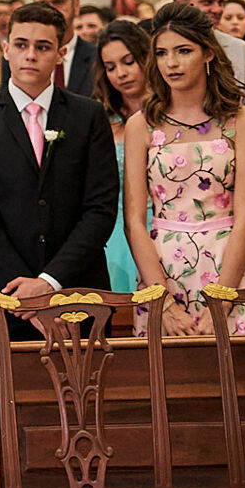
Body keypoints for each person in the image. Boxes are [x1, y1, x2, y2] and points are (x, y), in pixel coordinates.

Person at [0, 2, 118, 340]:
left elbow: (100, 209)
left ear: (60, 53)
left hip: (79, 294)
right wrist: (25, 291)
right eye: (21, 45)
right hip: (4, 297)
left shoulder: (88, 116)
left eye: (42, 47)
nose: (30, 55)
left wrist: (48, 283)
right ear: (5, 49)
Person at [121, 4, 245, 336]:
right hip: (163, 269)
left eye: (183, 51)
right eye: (162, 53)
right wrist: (164, 302)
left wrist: (223, 300)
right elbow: (134, 221)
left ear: (208, 53)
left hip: (231, 264)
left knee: (242, 380)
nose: (171, 62)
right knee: (166, 380)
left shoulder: (241, 121)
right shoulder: (141, 125)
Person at [94, 20, 156, 292]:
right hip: (114, 231)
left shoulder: (175, 113)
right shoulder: (101, 120)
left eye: (129, 61)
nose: (121, 73)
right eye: (111, 67)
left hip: (167, 226)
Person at [173, 0, 245, 101]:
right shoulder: (160, 50)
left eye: (220, 3)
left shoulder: (240, 49)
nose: (218, 9)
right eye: (208, 2)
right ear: (181, 2)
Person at [22, 0, 97, 95]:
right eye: (43, 4)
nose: (51, 9)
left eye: (58, 1)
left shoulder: (96, 57)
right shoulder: (19, 58)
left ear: (76, 6)